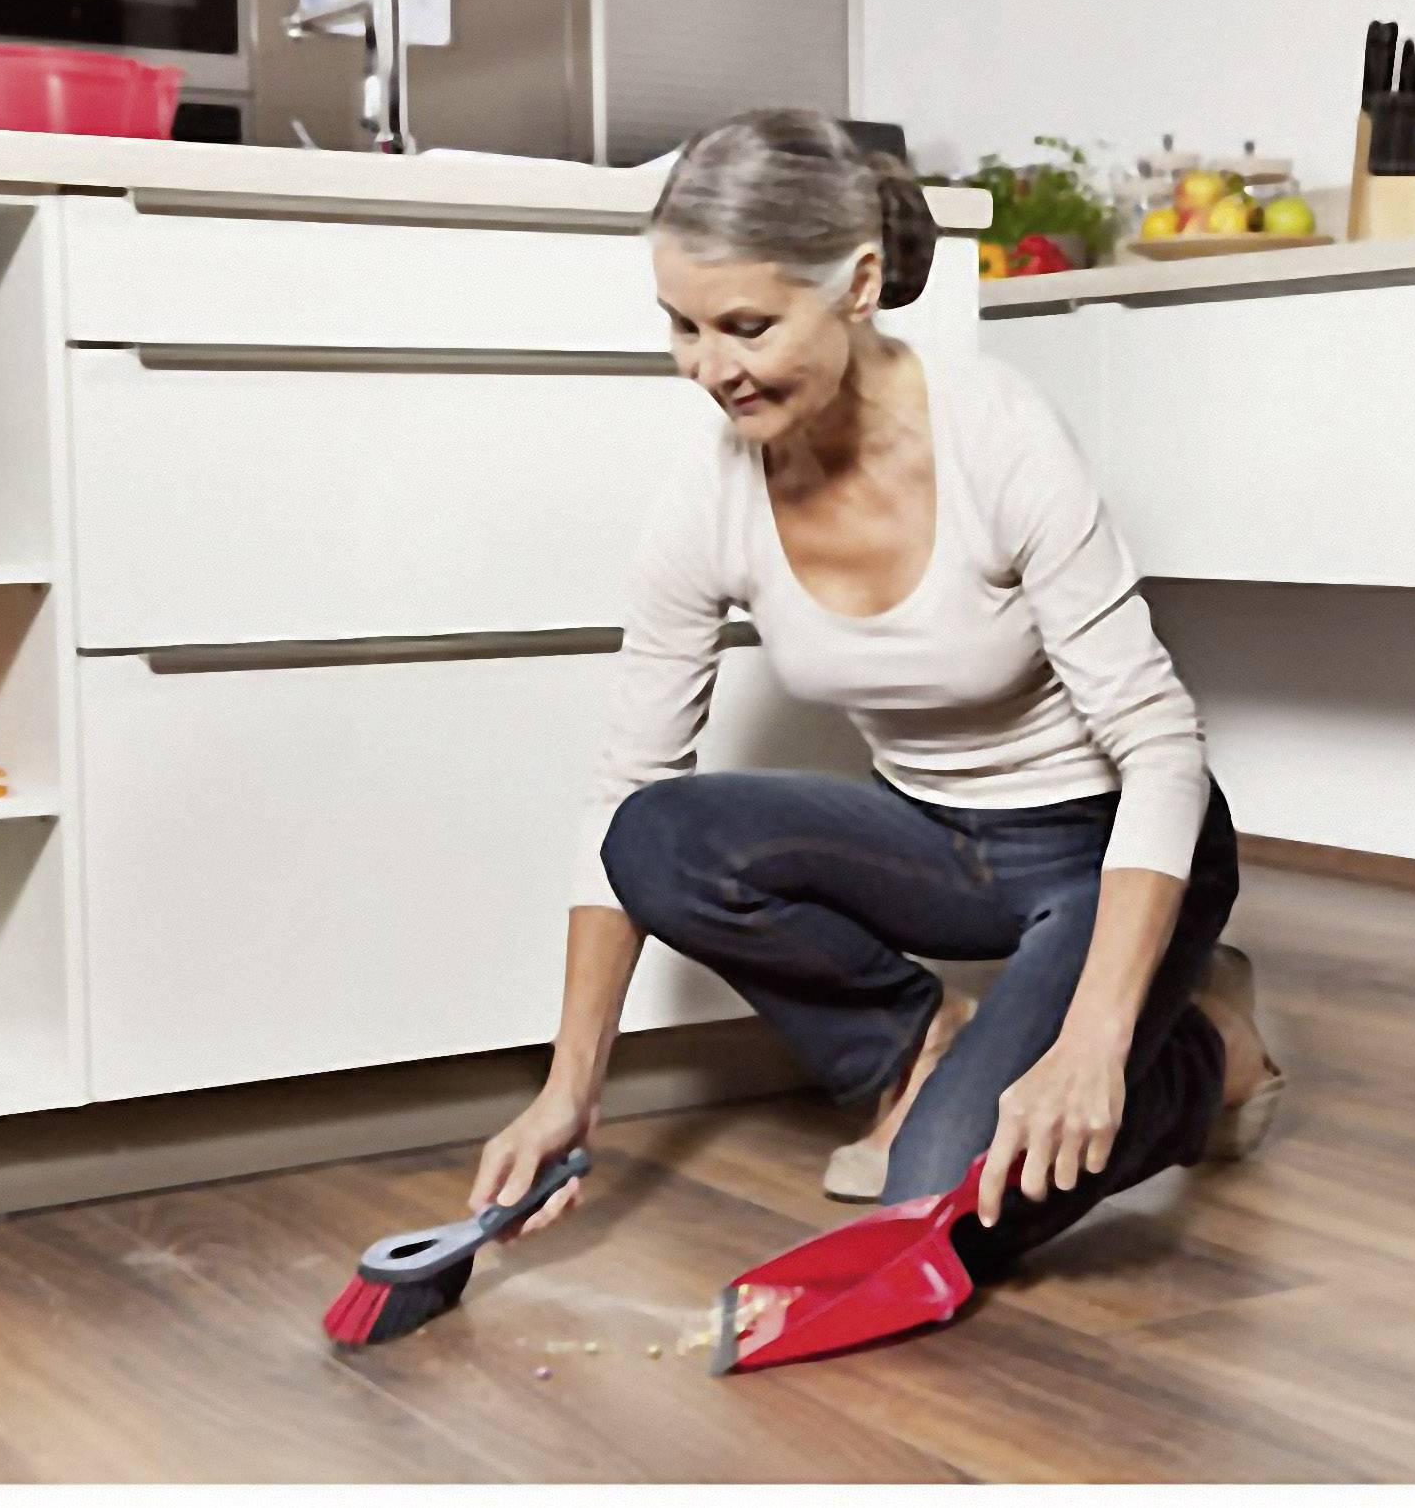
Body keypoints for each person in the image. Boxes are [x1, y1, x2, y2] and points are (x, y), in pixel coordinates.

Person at [468, 108, 1283, 1275]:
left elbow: (1159, 747)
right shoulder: (709, 498)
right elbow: (626, 791)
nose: (708, 369)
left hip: (1111, 843)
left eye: (746, 326)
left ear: (855, 286)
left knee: (945, 1201)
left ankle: (1207, 1048)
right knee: (658, 838)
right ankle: (918, 1055)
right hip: (935, 844)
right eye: (682, 326)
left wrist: (1098, 1041)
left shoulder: (996, 436)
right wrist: (567, 1092)